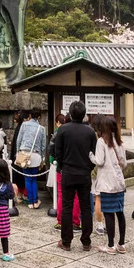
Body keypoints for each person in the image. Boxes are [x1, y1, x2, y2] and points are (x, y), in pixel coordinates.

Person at [55, 100, 97, 251]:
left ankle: (66, 241)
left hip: (68, 172)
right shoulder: (90, 132)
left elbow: (58, 152)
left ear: (71, 114)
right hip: (84, 173)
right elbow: (93, 154)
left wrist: (62, 166)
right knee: (86, 207)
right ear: (84, 114)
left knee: (67, 206)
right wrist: (88, 167)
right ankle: (86, 241)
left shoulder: (63, 130)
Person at [89, 116, 127, 254]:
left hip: (106, 183)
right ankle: (121, 244)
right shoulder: (119, 142)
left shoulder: (101, 141)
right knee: (120, 213)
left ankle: (110, 245)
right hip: (119, 183)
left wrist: (90, 155)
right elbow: (124, 163)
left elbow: (99, 161)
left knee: (109, 214)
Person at [49, 114, 81, 232]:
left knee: (62, 194)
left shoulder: (59, 132)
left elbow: (51, 150)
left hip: (61, 168)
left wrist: (57, 161)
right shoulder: (81, 132)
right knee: (76, 195)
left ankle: (60, 221)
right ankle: (75, 222)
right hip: (77, 169)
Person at [16, 107, 46, 209]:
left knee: (27, 179)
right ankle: (35, 201)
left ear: (30, 116)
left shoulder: (24, 125)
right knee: (34, 179)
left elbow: (18, 140)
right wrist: (42, 159)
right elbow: (43, 146)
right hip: (36, 155)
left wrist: (18, 153)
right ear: (39, 117)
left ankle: (30, 202)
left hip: (24, 154)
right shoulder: (41, 128)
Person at [91, 114, 106, 235]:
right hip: (107, 172)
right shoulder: (109, 137)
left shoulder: (94, 137)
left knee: (98, 198)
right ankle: (105, 222)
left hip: (95, 171)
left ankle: (100, 225)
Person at [10, 110, 29, 203]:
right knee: (22, 175)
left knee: (19, 175)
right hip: (21, 154)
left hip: (17, 155)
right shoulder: (23, 127)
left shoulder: (19, 127)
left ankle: (20, 194)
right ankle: (21, 194)